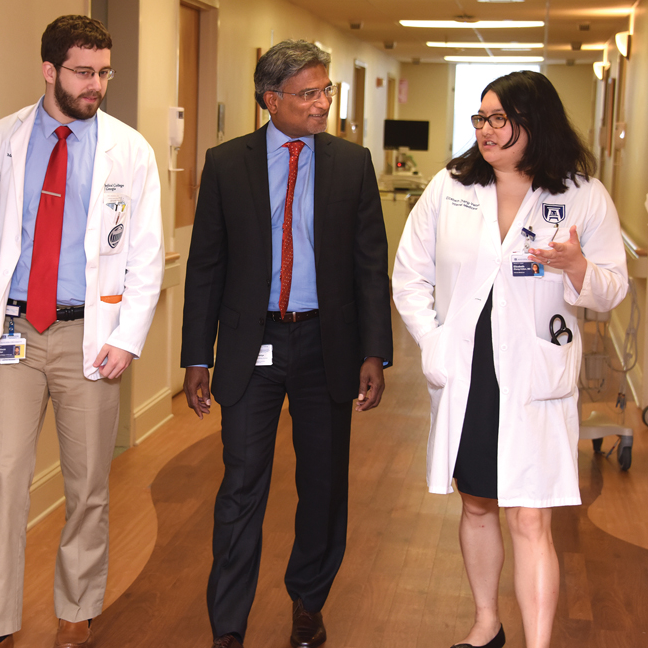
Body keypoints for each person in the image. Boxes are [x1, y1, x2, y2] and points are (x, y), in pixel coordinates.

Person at [392, 70, 628, 648]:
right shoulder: (449, 187)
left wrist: (576, 265)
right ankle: (485, 624)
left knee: (530, 516)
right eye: (481, 118)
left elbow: (612, 289)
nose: (486, 130)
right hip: (469, 374)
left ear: (533, 122)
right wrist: (437, 342)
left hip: (534, 375)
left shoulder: (581, 194)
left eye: (499, 118)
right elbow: (408, 276)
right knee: (477, 506)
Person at [0, 15, 163, 648]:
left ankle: (76, 613)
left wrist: (125, 338)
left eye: (103, 72)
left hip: (88, 335)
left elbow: (146, 256)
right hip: (12, 331)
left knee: (88, 483)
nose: (95, 84)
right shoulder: (4, 140)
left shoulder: (130, 149)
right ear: (49, 70)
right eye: (82, 72)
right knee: (3, 478)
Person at [181, 39, 393, 648]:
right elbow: (206, 266)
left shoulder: (352, 164)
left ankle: (308, 600)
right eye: (309, 94)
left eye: (326, 91)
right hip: (253, 347)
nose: (323, 103)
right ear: (270, 100)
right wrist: (199, 354)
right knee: (242, 485)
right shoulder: (227, 164)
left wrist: (374, 351)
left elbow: (367, 263)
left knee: (323, 483)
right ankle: (228, 624)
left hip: (327, 343)